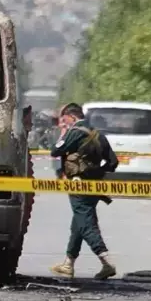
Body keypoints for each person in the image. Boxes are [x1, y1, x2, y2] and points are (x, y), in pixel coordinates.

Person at [49, 103, 119, 280]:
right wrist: (97, 172)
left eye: (65, 120)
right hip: (94, 185)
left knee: (86, 224)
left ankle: (106, 261)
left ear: (72, 117)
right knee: (79, 223)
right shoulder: (98, 134)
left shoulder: (76, 132)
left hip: (78, 184)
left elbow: (55, 151)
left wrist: (64, 133)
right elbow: (113, 162)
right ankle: (68, 263)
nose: (64, 123)